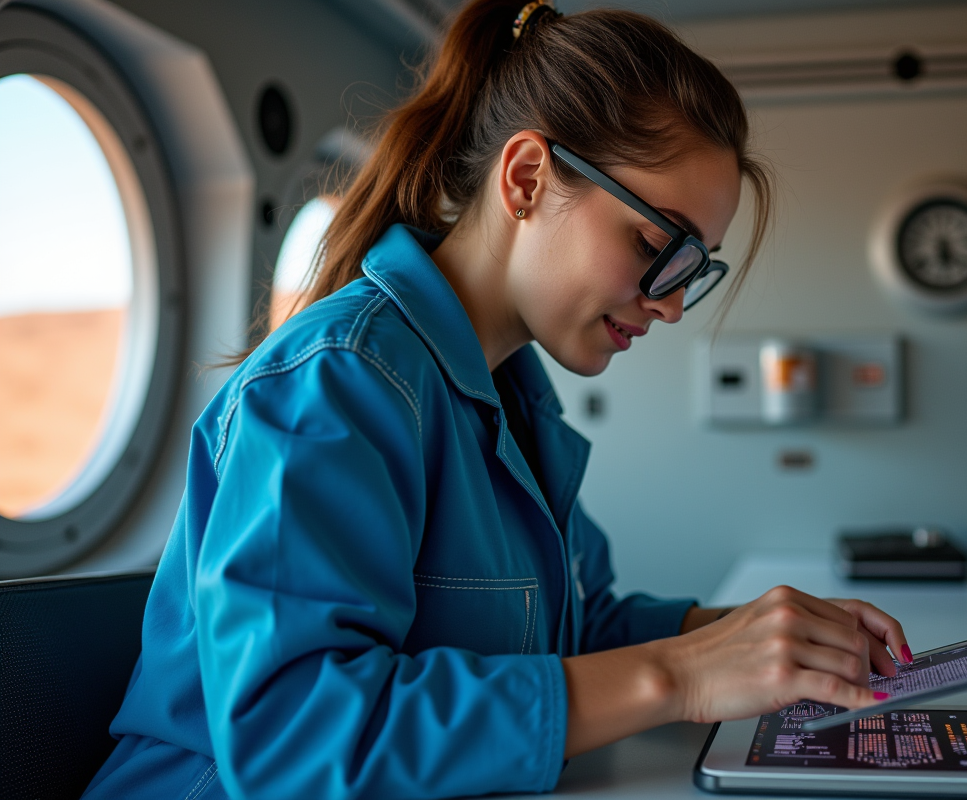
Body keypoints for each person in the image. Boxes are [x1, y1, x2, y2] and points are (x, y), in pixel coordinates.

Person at [83, 1, 911, 797]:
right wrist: (682, 675)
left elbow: (574, 630)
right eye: (656, 245)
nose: (669, 304)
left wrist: (757, 636)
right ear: (526, 179)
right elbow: (294, 740)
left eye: (693, 270)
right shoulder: (336, 382)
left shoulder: (513, 396)